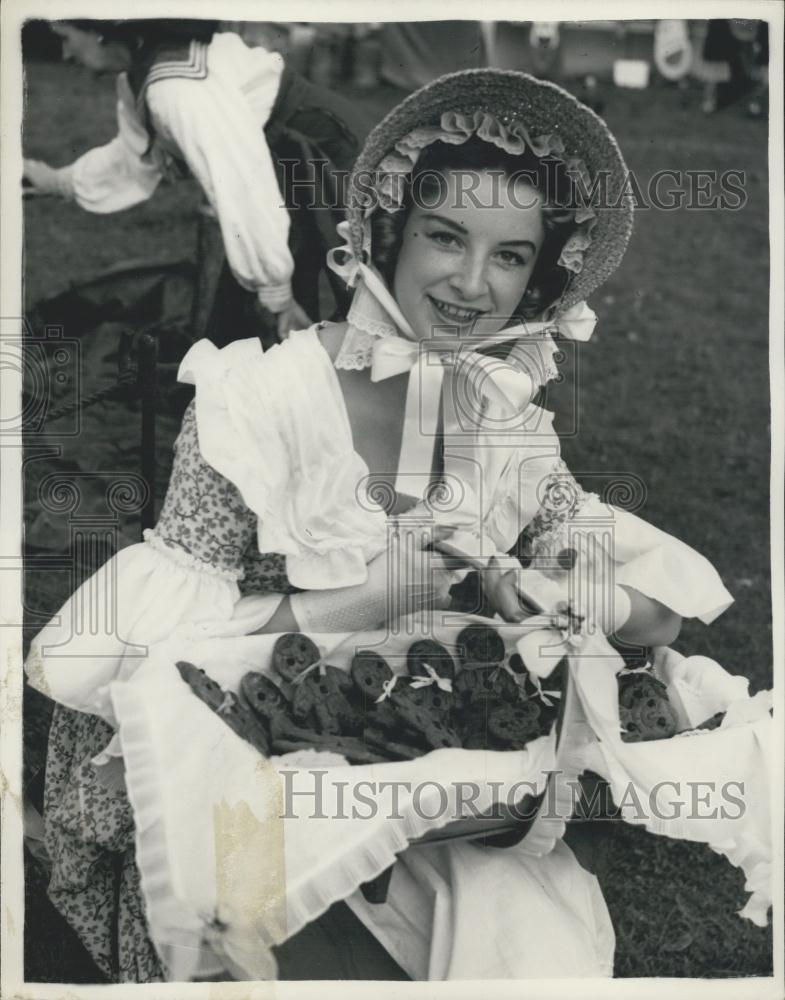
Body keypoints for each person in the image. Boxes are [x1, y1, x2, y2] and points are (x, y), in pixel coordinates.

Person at [26, 69, 733, 982]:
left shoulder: (502, 422)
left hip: (430, 778)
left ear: (537, 278)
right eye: (446, 237)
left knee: (524, 947)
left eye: (510, 256)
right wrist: (373, 597)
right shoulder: (260, 401)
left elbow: (657, 617)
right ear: (387, 235)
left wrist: (555, 588)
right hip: (248, 774)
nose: (472, 284)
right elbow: (165, 664)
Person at [22, 19, 369, 345]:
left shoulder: (176, 88)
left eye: (66, 38)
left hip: (325, 147)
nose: (65, 54)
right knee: (254, 314)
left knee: (364, 288)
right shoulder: (140, 77)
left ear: (99, 30)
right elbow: (133, 157)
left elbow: (240, 182)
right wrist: (56, 181)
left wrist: (274, 291)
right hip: (275, 161)